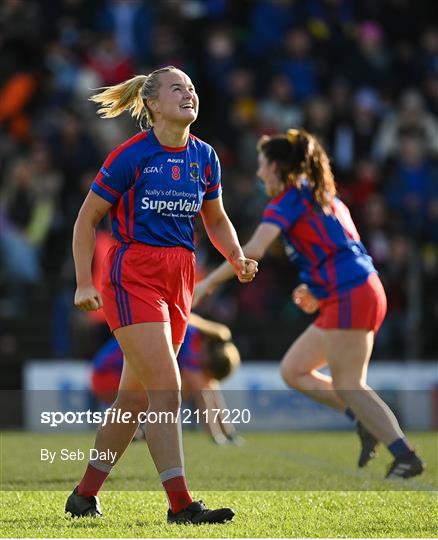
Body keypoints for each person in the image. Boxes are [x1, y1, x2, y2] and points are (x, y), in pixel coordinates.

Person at [65, 66, 258, 524]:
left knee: (133, 400)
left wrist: (236, 256)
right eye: (178, 88)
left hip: (181, 276)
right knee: (166, 390)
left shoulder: (205, 156)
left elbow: (215, 218)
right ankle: (181, 505)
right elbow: (85, 220)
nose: (189, 93)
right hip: (133, 276)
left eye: (192, 87)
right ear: (152, 104)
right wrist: (83, 282)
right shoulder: (130, 156)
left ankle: (83, 496)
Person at [194, 128, 425, 480]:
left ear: (278, 166)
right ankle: (365, 420)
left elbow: (252, 251)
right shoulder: (323, 197)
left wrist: (206, 284)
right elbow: (344, 248)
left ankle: (404, 455)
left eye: (262, 166)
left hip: (351, 293)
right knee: (294, 371)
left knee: (350, 384)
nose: (258, 174)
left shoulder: (290, 197)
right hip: (351, 290)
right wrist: (316, 287)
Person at [90, 313, 243, 445]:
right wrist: (216, 437)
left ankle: (137, 430)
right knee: (178, 387)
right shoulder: (192, 341)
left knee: (171, 386)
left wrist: (229, 433)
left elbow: (210, 389)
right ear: (208, 358)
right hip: (107, 376)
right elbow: (202, 395)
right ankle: (138, 429)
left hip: (106, 372)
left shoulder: (198, 337)